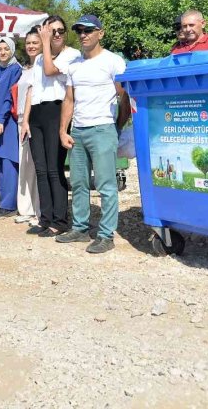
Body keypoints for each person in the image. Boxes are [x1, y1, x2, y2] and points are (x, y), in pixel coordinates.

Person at [56, 15, 130, 254]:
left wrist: (117, 125)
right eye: (79, 31)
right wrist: (62, 130)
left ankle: (106, 235)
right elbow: (69, 99)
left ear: (101, 33)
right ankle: (79, 228)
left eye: (88, 30)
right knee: (78, 183)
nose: (83, 35)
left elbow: (123, 96)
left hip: (102, 129)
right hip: (78, 130)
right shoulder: (74, 64)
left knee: (106, 184)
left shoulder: (113, 61)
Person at [21, 16, 81, 237]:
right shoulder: (37, 60)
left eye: (59, 31)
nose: (55, 35)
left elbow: (50, 70)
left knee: (55, 169)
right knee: (41, 168)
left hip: (56, 110)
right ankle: (45, 218)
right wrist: (26, 120)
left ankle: (60, 220)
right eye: (50, 31)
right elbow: (32, 90)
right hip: (37, 112)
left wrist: (44, 44)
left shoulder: (72, 55)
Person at [0, 36, 23, 218]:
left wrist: (1, 119)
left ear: (12, 50)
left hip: (6, 122)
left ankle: (9, 204)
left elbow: (10, 96)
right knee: (0, 161)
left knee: (9, 161)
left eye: (6, 49)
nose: (2, 52)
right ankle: (4, 201)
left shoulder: (15, 69)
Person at [15, 30, 42, 226]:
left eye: (35, 42)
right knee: (25, 166)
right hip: (20, 120)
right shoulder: (25, 69)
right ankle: (26, 208)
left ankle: (40, 210)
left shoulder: (42, 67)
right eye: (28, 43)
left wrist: (27, 120)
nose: (31, 46)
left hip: (33, 119)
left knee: (37, 166)